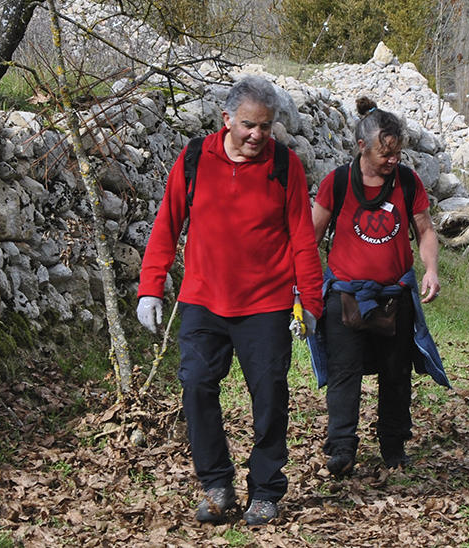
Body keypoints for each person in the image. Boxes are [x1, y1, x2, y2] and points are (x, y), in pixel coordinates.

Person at [135, 76, 324, 526]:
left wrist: (311, 302)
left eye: (266, 126)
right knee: (197, 385)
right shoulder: (196, 158)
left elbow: (302, 237)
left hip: (266, 303)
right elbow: (168, 223)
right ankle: (217, 484)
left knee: (270, 396)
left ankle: (265, 491)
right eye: (247, 126)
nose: (257, 135)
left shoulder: (285, 166)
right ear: (226, 119)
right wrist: (150, 286)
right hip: (203, 299)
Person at [308, 97, 447, 477]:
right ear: (361, 148)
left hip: (394, 297)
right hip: (345, 296)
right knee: (344, 372)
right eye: (385, 154)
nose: (392, 161)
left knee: (396, 372)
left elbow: (425, 230)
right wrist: (304, 287)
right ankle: (341, 449)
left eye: (397, 154)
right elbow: (310, 237)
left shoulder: (406, 181)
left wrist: (430, 269)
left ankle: (393, 446)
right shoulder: (337, 182)